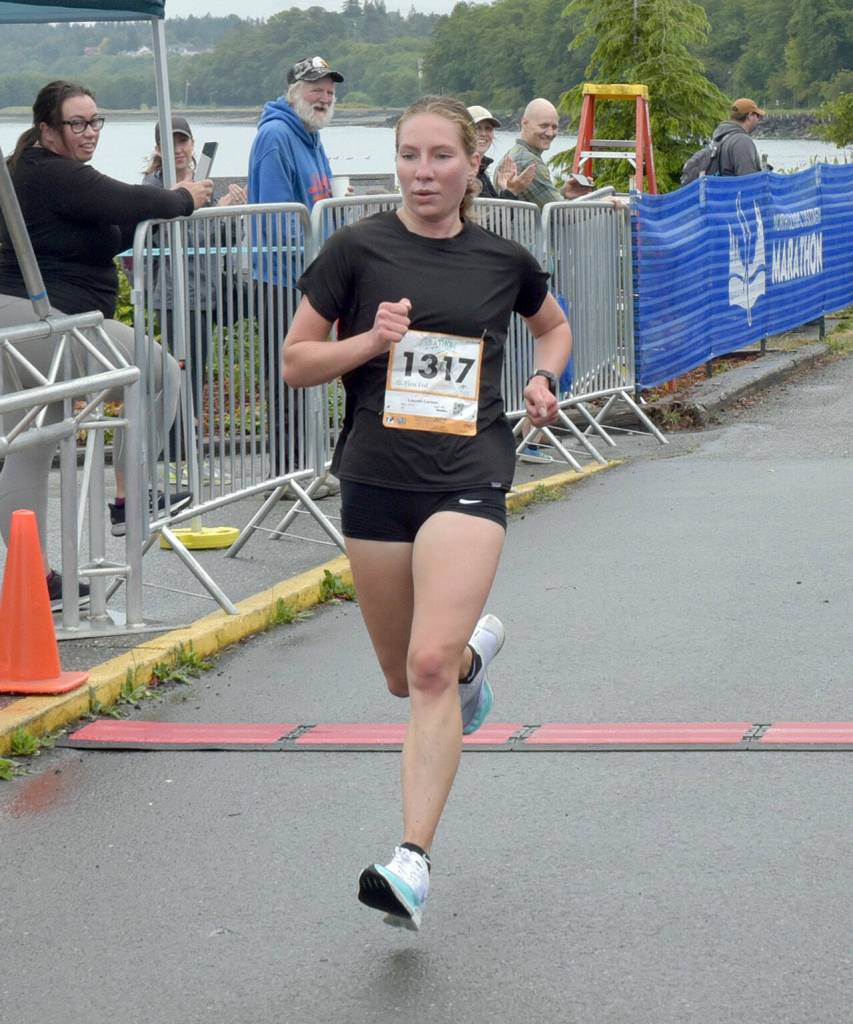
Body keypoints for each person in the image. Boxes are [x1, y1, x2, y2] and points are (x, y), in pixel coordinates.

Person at [283, 95, 572, 931]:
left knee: (428, 668)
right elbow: (298, 362)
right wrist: (369, 342)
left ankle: (410, 859)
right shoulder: (355, 249)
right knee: (400, 672)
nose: (422, 172)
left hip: (469, 470)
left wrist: (543, 379)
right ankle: (473, 673)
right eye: (409, 155)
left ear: (470, 163)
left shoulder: (502, 258)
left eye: (440, 155)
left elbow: (551, 329)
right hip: (376, 476)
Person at [0, 81, 211, 606]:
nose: (89, 132)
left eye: (96, 121)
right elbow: (128, 199)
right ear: (47, 130)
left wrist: (155, 214)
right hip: (46, 322)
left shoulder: (37, 174)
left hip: (23, 322)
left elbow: (105, 226)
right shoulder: (50, 172)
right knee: (159, 372)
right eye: (77, 123)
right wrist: (184, 197)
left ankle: (35, 577)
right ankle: (128, 495)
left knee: (32, 445)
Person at [247, 55, 344, 488]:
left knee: (312, 372)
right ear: (293, 92)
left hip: (310, 277)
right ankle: (287, 473)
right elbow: (276, 217)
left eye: (329, 90)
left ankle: (308, 465)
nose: (323, 97)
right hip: (281, 277)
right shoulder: (276, 136)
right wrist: (315, 268)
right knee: (288, 372)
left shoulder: (310, 134)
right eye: (315, 88)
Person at [142, 115, 246, 474]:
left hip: (204, 294)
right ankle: (176, 456)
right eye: (170, 143)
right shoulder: (153, 186)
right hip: (172, 295)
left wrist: (231, 214)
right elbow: (167, 236)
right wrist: (209, 211)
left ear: (192, 142)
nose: (179, 149)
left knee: (195, 374)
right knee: (176, 375)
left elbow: (221, 240)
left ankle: (186, 455)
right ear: (158, 149)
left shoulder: (201, 184)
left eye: (183, 141)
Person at [498, 97, 576, 209]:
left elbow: (539, 202)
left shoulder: (511, 154)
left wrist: (564, 193)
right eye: (543, 126)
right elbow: (561, 214)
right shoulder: (529, 162)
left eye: (554, 127)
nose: (550, 133)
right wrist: (599, 202)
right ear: (524, 123)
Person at [466, 105, 534, 200]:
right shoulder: (464, 172)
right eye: (477, 128)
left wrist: (505, 187)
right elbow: (485, 213)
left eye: (488, 128)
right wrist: (512, 192)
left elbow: (495, 211)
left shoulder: (482, 171)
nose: (483, 133)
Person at [711, 98, 765, 177]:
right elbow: (748, 180)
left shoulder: (720, 136)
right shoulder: (742, 141)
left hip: (723, 188)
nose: (758, 119)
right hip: (734, 189)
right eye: (757, 116)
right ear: (749, 116)